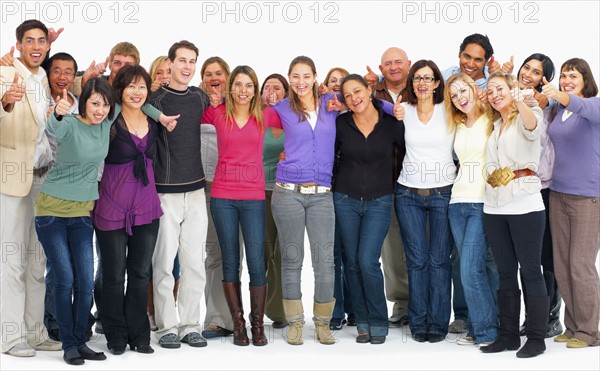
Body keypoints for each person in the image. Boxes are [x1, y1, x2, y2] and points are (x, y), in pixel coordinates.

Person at [37, 76, 174, 365]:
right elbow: (55, 127)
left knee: (87, 281)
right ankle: (72, 343)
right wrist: (60, 111)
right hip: (52, 211)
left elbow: (137, 103)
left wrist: (160, 115)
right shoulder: (72, 123)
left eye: (104, 104)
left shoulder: (105, 123)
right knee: (67, 279)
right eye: (93, 103)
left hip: (83, 213)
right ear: (83, 101)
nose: (99, 109)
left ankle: (86, 340)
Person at [202, 65, 282, 346]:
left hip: (253, 197)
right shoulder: (216, 113)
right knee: (230, 260)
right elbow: (186, 107)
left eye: (249, 85)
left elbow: (300, 118)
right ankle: (238, 325)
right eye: (238, 84)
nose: (243, 90)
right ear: (230, 88)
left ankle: (257, 324)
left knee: (257, 261)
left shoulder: (267, 115)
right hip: (222, 196)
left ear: (255, 89)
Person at [92, 65, 167, 355]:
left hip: (146, 206)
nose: (136, 92)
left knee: (139, 273)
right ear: (120, 90)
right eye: (130, 86)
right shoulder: (108, 119)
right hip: (111, 204)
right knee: (113, 273)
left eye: (142, 87)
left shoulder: (154, 120)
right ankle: (115, 331)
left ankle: (139, 333)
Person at [0, 19, 63, 358]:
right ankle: (10, 338)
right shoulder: (6, 73)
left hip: (44, 178)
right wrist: (6, 101)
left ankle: (35, 332)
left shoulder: (43, 77)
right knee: (12, 261)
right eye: (29, 40)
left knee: (37, 259)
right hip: (13, 178)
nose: (36, 45)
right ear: (19, 44)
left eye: (41, 40)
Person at [270, 55, 339, 345]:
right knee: (292, 259)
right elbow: (251, 127)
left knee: (324, 261)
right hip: (287, 193)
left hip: (322, 195)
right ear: (290, 79)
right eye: (295, 77)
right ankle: (295, 322)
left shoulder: (331, 103)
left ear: (315, 78)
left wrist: (394, 108)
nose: (300, 82)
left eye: (306, 76)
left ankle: (322, 323)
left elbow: (368, 104)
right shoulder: (281, 108)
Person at [333, 74, 405, 344]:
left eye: (357, 91)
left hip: (380, 199)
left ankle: (378, 320)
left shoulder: (391, 124)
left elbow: (409, 153)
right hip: (344, 199)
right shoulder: (341, 123)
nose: (354, 98)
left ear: (369, 89)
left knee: (367, 261)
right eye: (348, 95)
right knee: (351, 263)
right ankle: (362, 322)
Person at [480, 71, 547, 358]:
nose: (495, 94)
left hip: (525, 203)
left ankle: (536, 337)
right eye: (491, 90)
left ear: (513, 89)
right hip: (494, 206)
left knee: (530, 271)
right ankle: (508, 335)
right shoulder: (494, 124)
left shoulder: (527, 112)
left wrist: (522, 101)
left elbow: (532, 128)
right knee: (505, 271)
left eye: (500, 89)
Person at [150, 40, 211, 349]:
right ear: (170, 63)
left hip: (196, 190)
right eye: (182, 60)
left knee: (194, 263)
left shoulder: (199, 98)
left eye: (192, 61)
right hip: (165, 193)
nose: (187, 66)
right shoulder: (155, 99)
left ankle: (189, 325)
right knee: (163, 263)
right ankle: (165, 327)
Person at [394, 60, 455, 343]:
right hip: (408, 194)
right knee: (417, 261)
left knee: (440, 261)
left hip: (444, 193)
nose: (422, 83)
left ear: (437, 83)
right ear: (412, 82)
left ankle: (439, 323)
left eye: (428, 78)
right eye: (417, 78)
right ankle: (419, 322)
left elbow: (477, 108)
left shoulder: (449, 110)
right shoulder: (402, 110)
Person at [543, 58, 600, 348]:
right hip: (558, 193)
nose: (566, 79)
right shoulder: (558, 110)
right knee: (562, 265)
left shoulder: (593, 106)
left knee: (581, 264)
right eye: (564, 75)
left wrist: (560, 94)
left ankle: (590, 332)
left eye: (572, 75)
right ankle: (573, 326)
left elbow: (580, 105)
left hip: (588, 196)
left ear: (585, 79)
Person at [444, 72, 498, 347]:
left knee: (471, 269)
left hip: (481, 202)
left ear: (475, 90)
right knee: (469, 268)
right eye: (454, 95)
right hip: (457, 202)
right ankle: (482, 328)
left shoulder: (491, 119)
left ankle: (487, 331)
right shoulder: (457, 124)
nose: (460, 98)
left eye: (463, 91)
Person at [515, 53, 563, 339]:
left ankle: (549, 317)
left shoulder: (551, 106)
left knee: (546, 256)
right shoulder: (513, 100)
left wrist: (550, 97)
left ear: (544, 79)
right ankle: (531, 315)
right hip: (518, 190)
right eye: (527, 68)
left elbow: (570, 102)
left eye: (536, 72)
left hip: (544, 190)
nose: (528, 74)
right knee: (526, 257)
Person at [365, 46, 412, 328]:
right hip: (384, 181)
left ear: (408, 63)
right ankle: (402, 303)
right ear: (380, 69)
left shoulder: (422, 85)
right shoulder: (372, 92)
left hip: (421, 180)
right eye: (387, 64)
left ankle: (426, 302)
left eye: (398, 62)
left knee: (422, 247)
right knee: (392, 249)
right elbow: (349, 99)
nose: (393, 67)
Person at [198, 56, 241, 340]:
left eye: (219, 73)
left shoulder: (241, 105)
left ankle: (238, 317)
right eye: (208, 73)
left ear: (227, 78)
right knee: (214, 253)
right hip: (204, 188)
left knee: (234, 254)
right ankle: (217, 318)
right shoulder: (195, 105)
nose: (214, 78)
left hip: (237, 188)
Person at [145, 55, 180, 332]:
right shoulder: (145, 104)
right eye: (160, 72)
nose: (166, 76)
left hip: (175, 186)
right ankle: (150, 310)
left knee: (174, 256)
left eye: (170, 71)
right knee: (151, 253)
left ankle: (168, 309)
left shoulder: (183, 100)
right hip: (149, 186)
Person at [260, 73, 289, 329]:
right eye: (267, 87)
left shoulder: (291, 119)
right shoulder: (256, 119)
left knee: (283, 253)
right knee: (264, 252)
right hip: (260, 191)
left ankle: (279, 311)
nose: (272, 91)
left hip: (287, 191)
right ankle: (258, 310)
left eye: (277, 87)